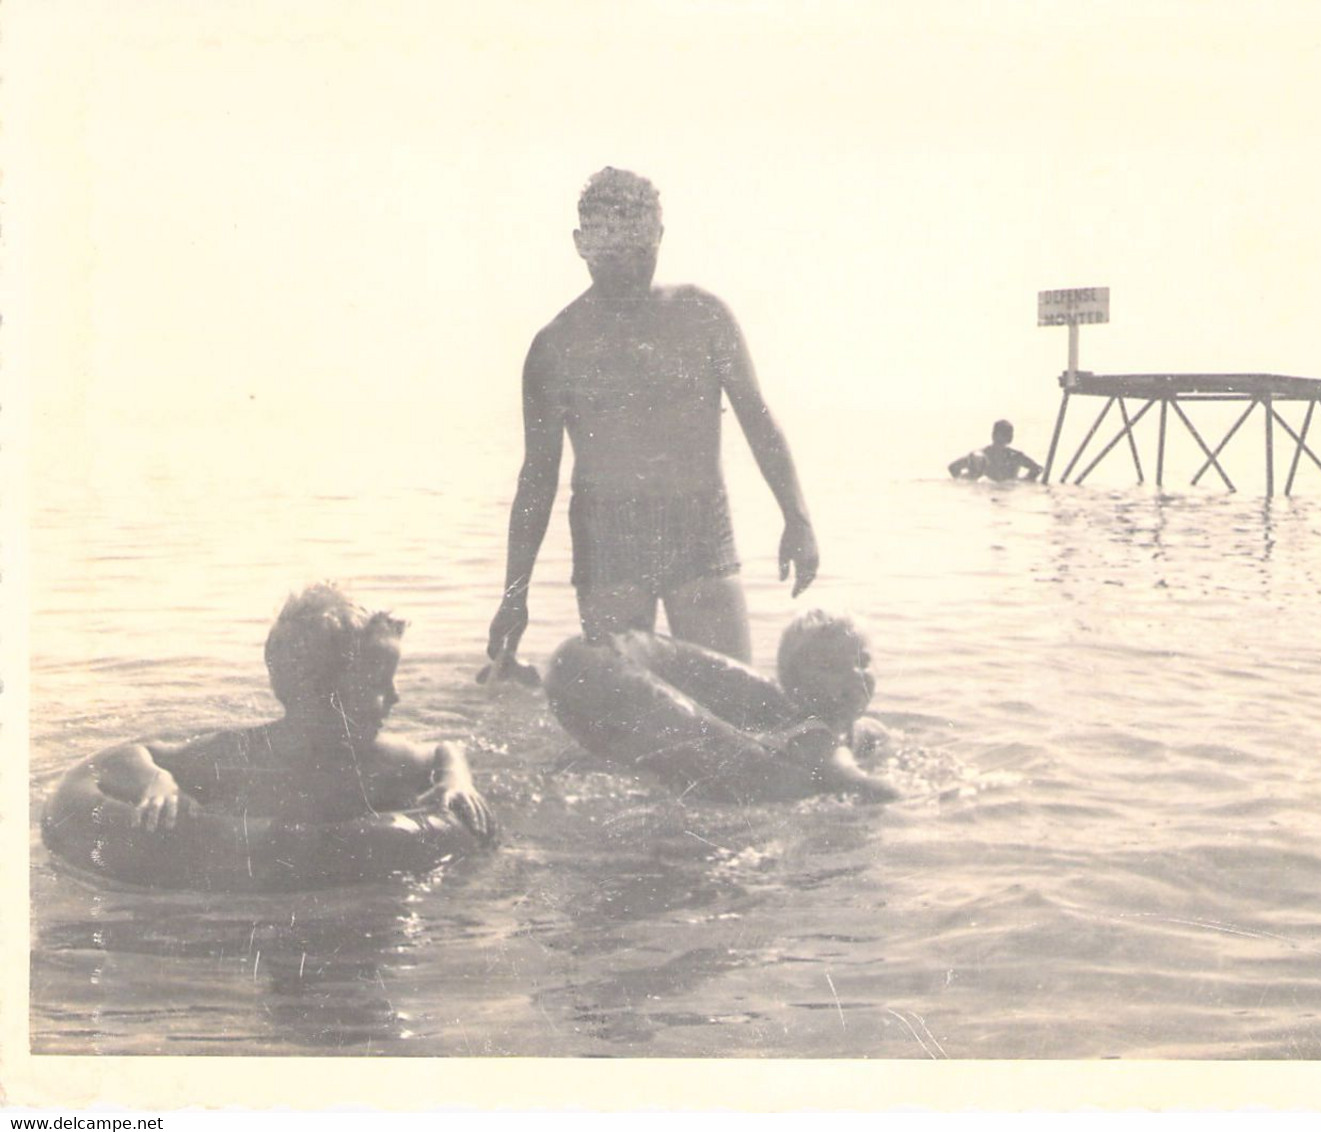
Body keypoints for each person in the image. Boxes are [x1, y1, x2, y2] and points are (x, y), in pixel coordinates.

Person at [487, 167, 819, 677]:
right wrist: (515, 595)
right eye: (610, 253)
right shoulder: (556, 346)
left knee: (733, 700)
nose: (626, 269)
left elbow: (758, 422)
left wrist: (797, 520)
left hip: (700, 527)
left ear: (661, 237)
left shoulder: (703, 317)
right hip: (607, 534)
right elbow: (536, 478)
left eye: (641, 252)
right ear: (581, 244)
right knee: (624, 718)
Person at [82, 583, 494, 837]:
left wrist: (456, 781)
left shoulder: (384, 758)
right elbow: (126, 756)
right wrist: (158, 781)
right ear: (318, 692)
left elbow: (445, 750)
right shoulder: (242, 756)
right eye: (377, 685)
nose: (396, 697)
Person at [545, 609, 898, 804]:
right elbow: (858, 783)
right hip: (729, 790)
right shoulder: (818, 742)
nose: (855, 674)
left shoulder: (860, 732)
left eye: (863, 661)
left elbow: (870, 740)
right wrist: (901, 796)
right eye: (833, 668)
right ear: (796, 688)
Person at [948, 419, 1043, 482]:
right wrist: (967, 481)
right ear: (994, 435)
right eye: (1001, 434)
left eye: (1006, 435)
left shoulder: (1015, 456)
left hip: (1007, 493)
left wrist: (1022, 482)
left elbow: (1037, 469)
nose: (1001, 438)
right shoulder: (981, 456)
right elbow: (953, 467)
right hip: (991, 493)